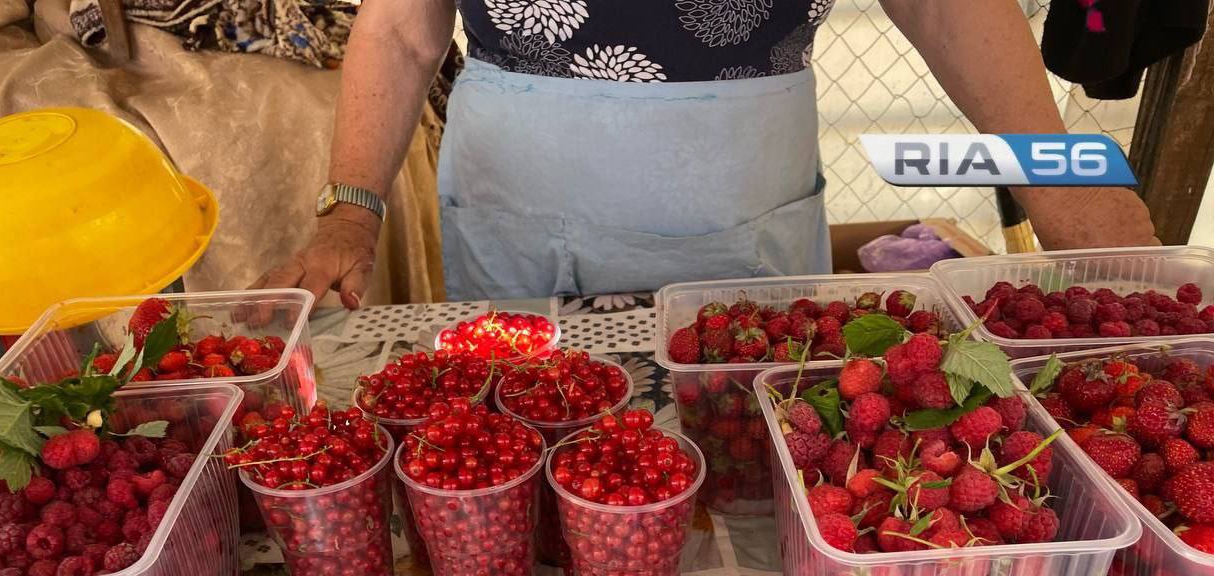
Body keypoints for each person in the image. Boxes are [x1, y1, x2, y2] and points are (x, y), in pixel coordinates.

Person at [259, 0, 1158, 305]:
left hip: (743, 200)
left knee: (750, 478)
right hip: (515, 210)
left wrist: (1052, 167)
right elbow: (403, 28)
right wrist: (352, 208)